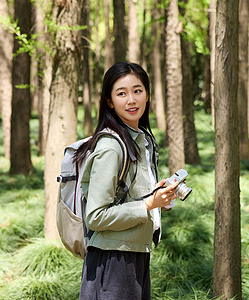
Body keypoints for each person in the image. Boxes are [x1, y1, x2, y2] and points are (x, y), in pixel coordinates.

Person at [76, 62, 178, 300]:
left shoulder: (140, 140)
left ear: (147, 95)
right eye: (121, 93)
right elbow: (95, 216)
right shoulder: (111, 147)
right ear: (109, 101)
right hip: (113, 260)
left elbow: (128, 195)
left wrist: (157, 197)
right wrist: (147, 205)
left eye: (137, 90)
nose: (131, 100)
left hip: (134, 253)